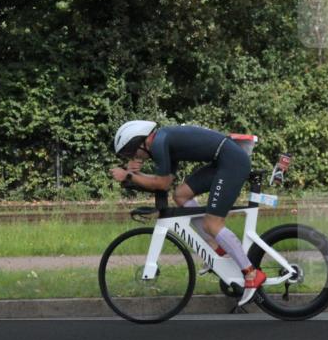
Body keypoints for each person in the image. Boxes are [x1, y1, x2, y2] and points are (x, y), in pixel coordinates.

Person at [110, 121, 266, 300]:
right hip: (223, 160)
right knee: (181, 195)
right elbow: (164, 183)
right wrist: (134, 176)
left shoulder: (160, 143)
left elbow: (162, 183)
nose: (133, 157)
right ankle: (216, 248)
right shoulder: (162, 142)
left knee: (212, 223)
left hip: (232, 162)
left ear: (140, 142)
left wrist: (129, 176)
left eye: (131, 151)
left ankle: (251, 273)